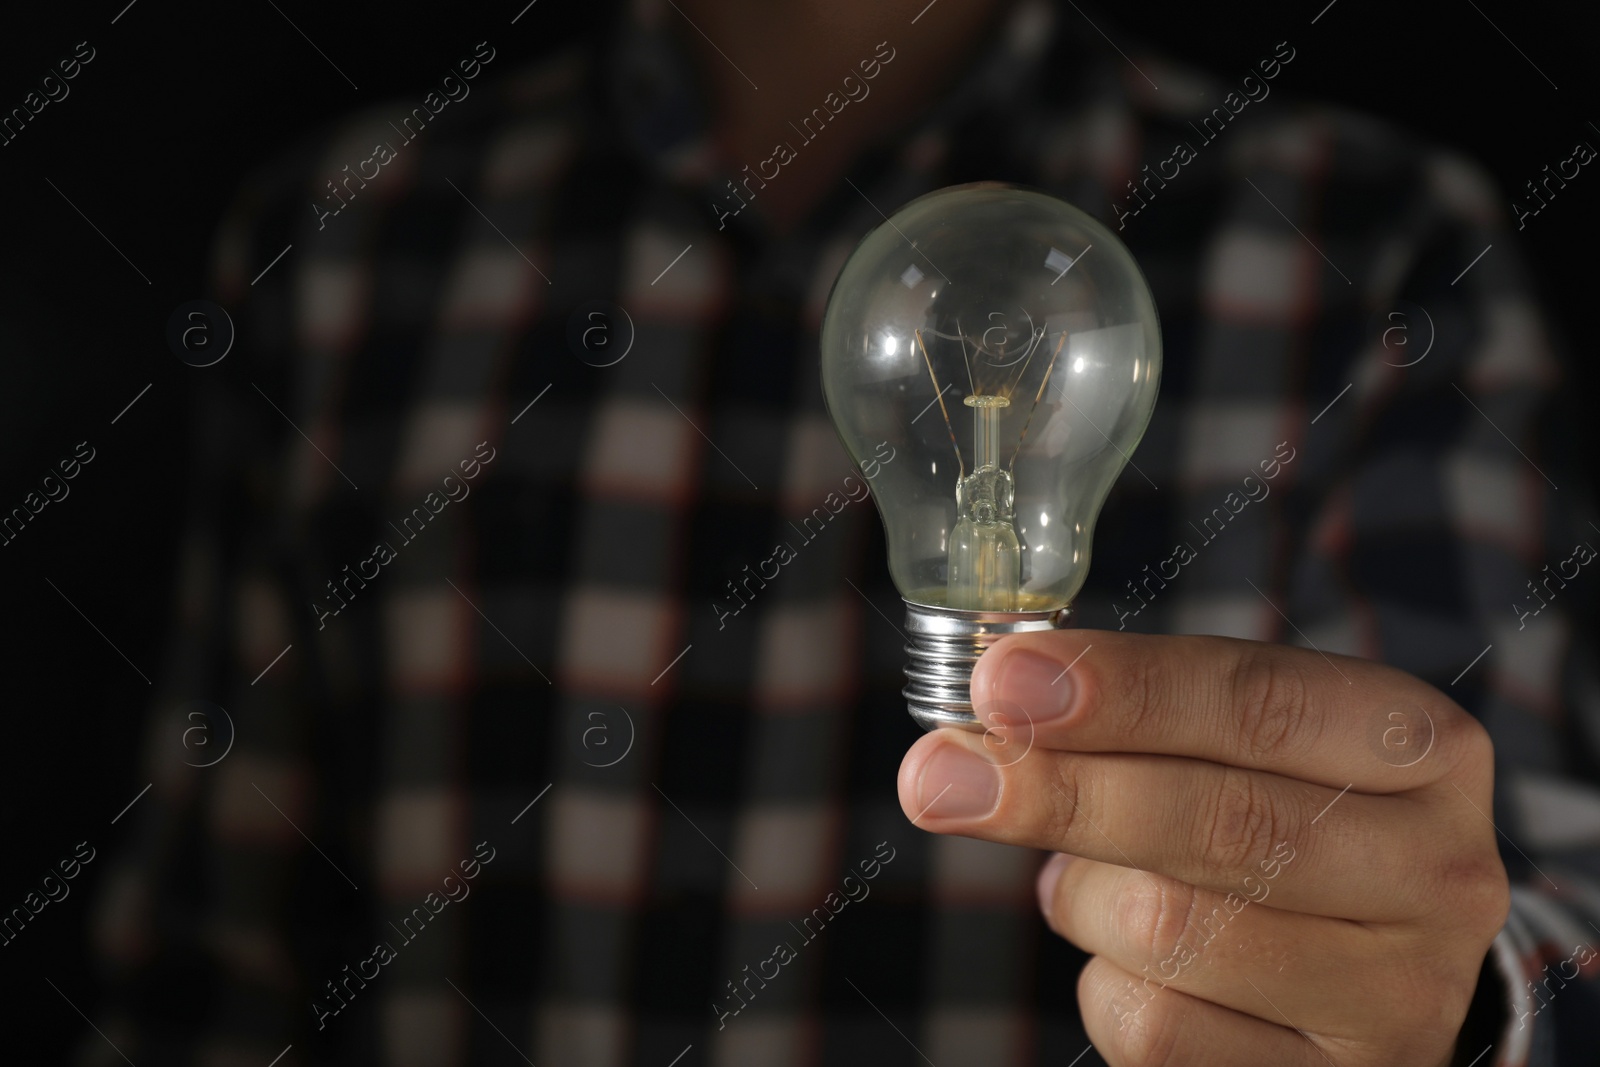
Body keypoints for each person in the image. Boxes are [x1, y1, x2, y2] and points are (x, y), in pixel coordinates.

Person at [87, 0, 1599, 1064]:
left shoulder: (1368, 248)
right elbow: (205, 971)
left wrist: (1446, 1011)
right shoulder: (353, 244)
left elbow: (1535, 908)